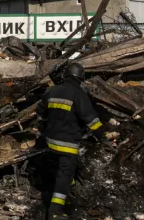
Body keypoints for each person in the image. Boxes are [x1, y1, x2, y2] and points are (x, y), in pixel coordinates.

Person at [39, 62, 103, 220]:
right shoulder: (78, 93)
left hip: (50, 141)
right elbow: (91, 119)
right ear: (80, 78)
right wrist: (103, 134)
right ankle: (55, 211)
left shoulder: (53, 90)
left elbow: (40, 112)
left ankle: (70, 192)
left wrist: (45, 128)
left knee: (61, 171)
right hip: (67, 144)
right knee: (64, 175)